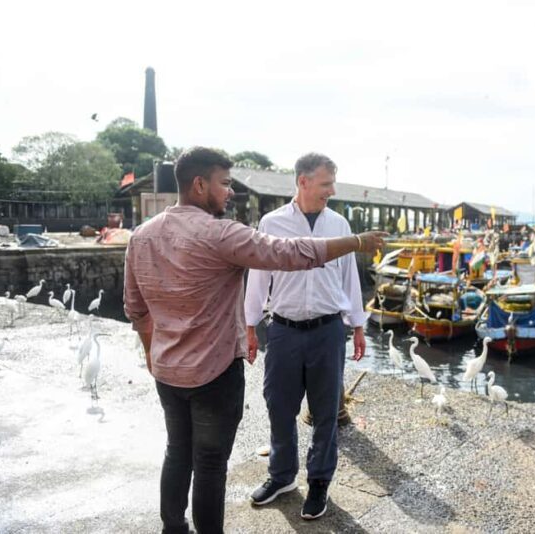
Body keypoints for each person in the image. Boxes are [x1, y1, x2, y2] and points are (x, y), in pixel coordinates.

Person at [123, 147, 385, 534]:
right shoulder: (220, 233)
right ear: (199, 185)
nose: (231, 192)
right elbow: (288, 253)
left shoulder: (140, 236)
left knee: (177, 451)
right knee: (211, 462)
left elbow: (136, 309)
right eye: (225, 184)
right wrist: (357, 243)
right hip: (214, 371)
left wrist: (152, 355)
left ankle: (173, 527)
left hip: (167, 372)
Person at [244, 153, 365, 521]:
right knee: (279, 406)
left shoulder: (339, 223)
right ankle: (281, 477)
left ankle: (319, 482)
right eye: (326, 183)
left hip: (329, 331)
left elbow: (350, 279)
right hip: (282, 330)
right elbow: (258, 275)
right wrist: (250, 326)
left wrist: (358, 325)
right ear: (303, 182)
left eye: (332, 183)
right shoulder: (272, 222)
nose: (331, 190)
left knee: (326, 412)